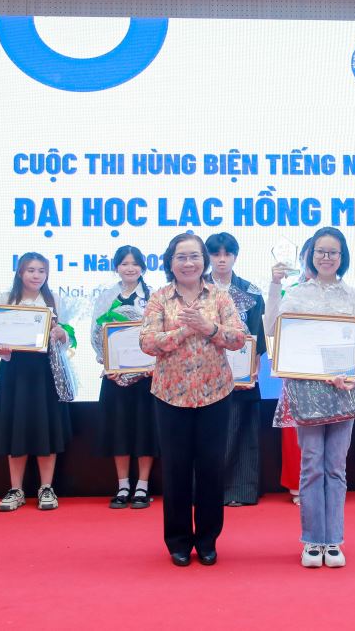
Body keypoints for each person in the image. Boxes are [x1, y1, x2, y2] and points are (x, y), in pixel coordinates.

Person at [139, 233, 247, 566]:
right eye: (181, 257)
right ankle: (179, 541)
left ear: (205, 260)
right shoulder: (160, 298)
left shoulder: (220, 297)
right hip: (171, 396)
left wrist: (208, 327)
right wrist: (184, 331)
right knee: (176, 470)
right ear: (170, 262)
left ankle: (208, 539)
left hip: (215, 394)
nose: (189, 263)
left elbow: (238, 338)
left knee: (212, 469)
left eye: (194, 256)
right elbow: (147, 342)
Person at [276, 227, 355, 568]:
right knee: (311, 465)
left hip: (343, 389)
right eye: (320, 251)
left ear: (342, 257)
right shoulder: (296, 295)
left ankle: (333, 540)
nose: (326, 257)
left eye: (333, 252)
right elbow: (277, 333)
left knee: (335, 466)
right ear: (311, 255)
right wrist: (274, 287)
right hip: (307, 390)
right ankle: (311, 540)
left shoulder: (354, 296)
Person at [0, 252, 72, 511]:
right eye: (31, 270)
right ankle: (16, 489)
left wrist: (61, 334)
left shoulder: (54, 299)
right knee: (16, 428)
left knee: (47, 428)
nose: (36, 275)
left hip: (46, 373)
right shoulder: (5, 300)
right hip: (14, 374)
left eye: (41, 271)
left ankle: (47, 488)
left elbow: (68, 338)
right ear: (20, 272)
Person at [90, 245, 158, 509]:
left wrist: (153, 363)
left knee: (146, 431)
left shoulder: (153, 296)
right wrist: (108, 362)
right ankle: (122, 485)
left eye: (135, 263)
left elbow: (160, 332)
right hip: (115, 377)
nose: (130, 268)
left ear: (143, 267)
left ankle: (142, 486)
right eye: (124, 264)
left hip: (147, 377)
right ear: (116, 267)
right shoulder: (107, 297)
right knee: (119, 430)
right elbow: (97, 334)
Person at [204, 232, 266, 507]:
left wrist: (254, 365)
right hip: (204, 374)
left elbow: (257, 335)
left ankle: (239, 491)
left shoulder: (251, 292)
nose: (221, 259)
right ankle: (205, 492)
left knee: (241, 429)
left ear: (235, 256)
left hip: (241, 374)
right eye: (216, 254)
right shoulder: (197, 290)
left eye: (227, 254)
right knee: (208, 434)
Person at [266, 236, 314, 506]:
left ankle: (326, 482)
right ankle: (297, 484)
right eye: (312, 254)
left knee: (330, 431)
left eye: (328, 253)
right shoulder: (290, 291)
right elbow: (271, 327)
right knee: (294, 428)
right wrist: (275, 285)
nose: (319, 259)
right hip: (297, 369)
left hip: (331, 372)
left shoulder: (343, 293)